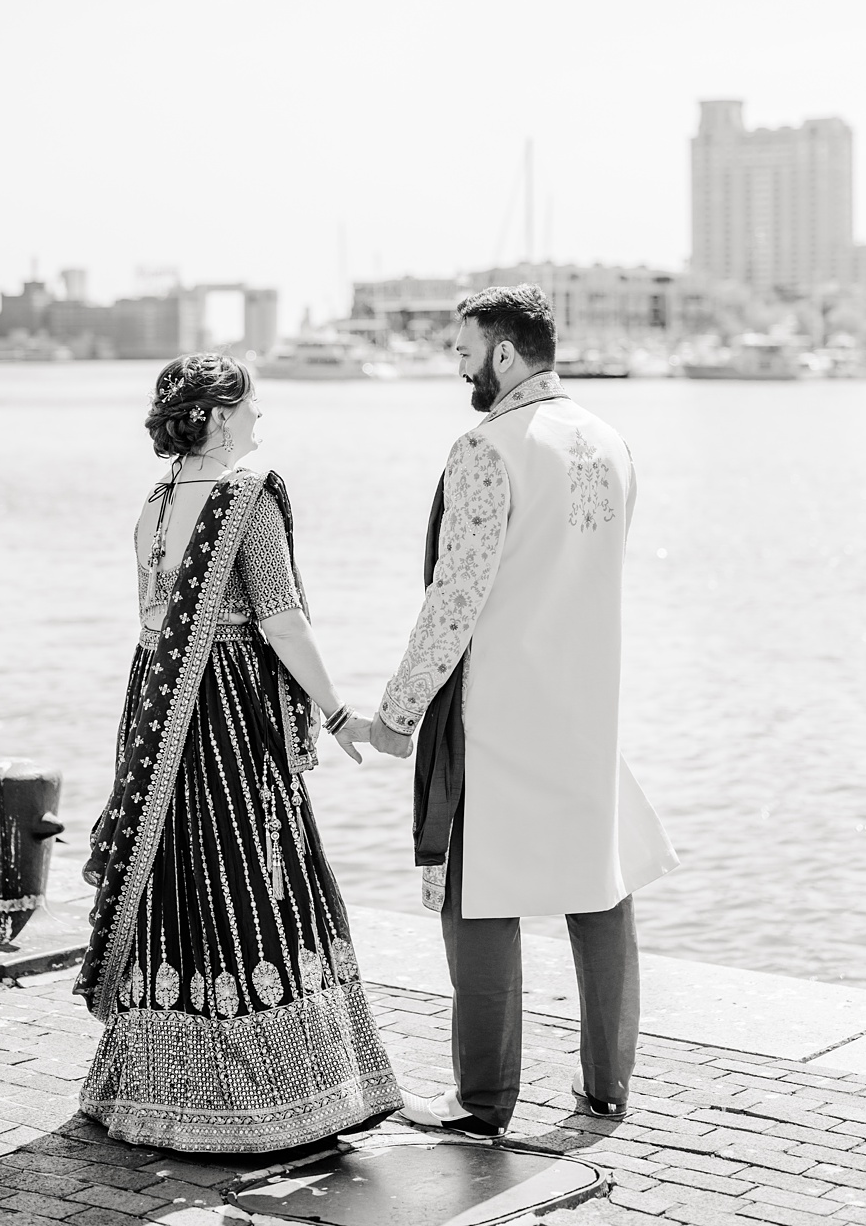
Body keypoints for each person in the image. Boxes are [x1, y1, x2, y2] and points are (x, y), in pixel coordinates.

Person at [343, 285, 679, 1135]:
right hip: (587, 702)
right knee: (597, 888)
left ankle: (482, 1103)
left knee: (477, 897)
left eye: (464, 354)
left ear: (503, 353)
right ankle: (608, 1090)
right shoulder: (612, 442)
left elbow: (454, 599)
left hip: (497, 709)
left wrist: (397, 714)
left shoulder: (487, 448)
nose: (459, 371)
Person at [75, 354, 400, 1155]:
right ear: (219, 417)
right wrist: (339, 713)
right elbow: (282, 620)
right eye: (252, 405)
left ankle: (155, 1091)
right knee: (254, 874)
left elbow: (152, 619)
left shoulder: (153, 503)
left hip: (155, 709)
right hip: (224, 711)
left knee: (176, 876)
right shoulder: (246, 496)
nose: (261, 418)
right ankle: (286, 1095)